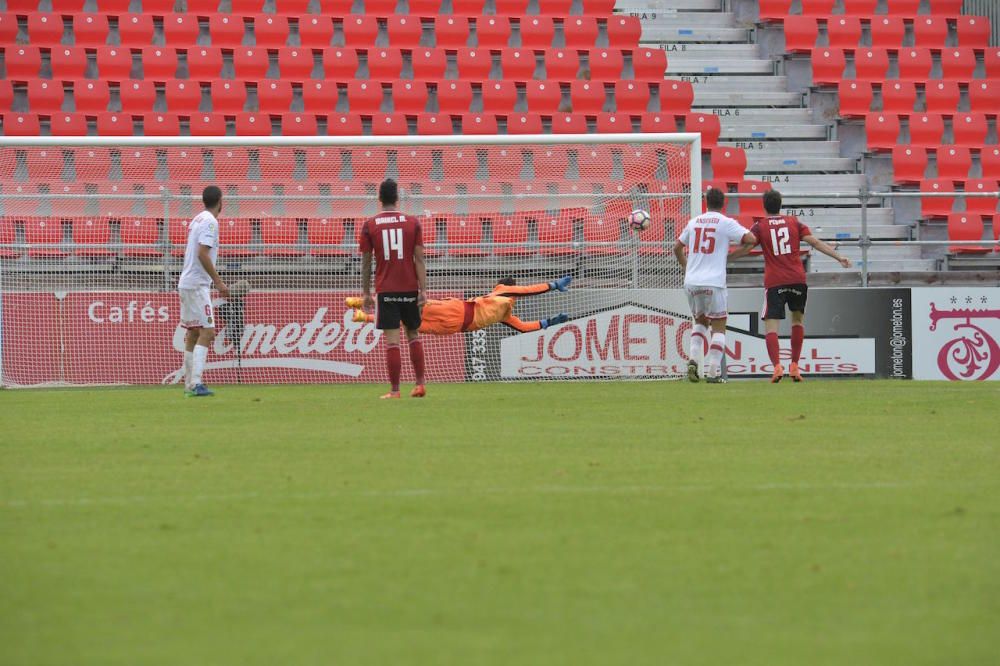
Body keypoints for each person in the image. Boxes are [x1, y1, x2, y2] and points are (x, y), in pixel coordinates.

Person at [733, 189, 852, 383]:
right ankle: (795, 366)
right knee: (797, 322)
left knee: (771, 327)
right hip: (797, 279)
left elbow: (747, 247)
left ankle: (777, 367)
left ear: (764, 206)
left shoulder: (760, 226)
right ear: (780, 205)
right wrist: (839, 257)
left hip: (775, 281)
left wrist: (726, 258)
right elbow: (814, 242)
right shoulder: (794, 222)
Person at [673, 187, 756, 384]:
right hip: (714, 282)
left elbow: (676, 248)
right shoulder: (726, 223)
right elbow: (752, 240)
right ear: (723, 203)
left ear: (706, 203)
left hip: (692, 282)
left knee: (700, 322)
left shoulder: (694, 222)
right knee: (719, 327)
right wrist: (734, 255)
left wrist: (688, 267)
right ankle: (713, 373)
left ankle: (693, 360)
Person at [359, 179, 428, 399]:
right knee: (413, 335)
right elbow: (419, 259)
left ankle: (395, 391)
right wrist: (423, 290)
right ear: (397, 197)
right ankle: (419, 385)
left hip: (386, 289)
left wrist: (366, 293)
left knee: (392, 341)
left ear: (379, 198)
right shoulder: (413, 222)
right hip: (409, 287)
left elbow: (367, 262)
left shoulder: (370, 225)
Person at [347, 276, 572, 334]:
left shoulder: (502, 293)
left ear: (499, 284)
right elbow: (524, 327)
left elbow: (527, 290)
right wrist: (548, 322)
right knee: (408, 323)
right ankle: (362, 315)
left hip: (456, 311)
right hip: (454, 327)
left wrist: (552, 285)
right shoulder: (506, 313)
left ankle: (364, 304)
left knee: (410, 304)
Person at [178, 185, 230, 397]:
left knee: (193, 333)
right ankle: (197, 383)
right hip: (198, 284)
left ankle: (189, 384)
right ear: (220, 201)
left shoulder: (197, 218)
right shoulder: (210, 221)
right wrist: (218, 282)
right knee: (207, 332)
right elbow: (202, 253)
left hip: (186, 281)